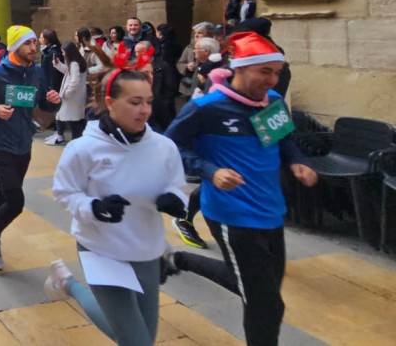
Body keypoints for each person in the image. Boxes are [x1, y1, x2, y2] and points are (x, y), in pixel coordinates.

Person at [164, 32, 318, 346]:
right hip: (230, 215)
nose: (273, 80)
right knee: (266, 303)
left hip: (272, 212)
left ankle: (179, 261)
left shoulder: (272, 102)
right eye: (265, 72)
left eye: (277, 72)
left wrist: (297, 161)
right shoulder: (207, 108)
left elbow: (284, 141)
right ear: (241, 69)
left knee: (259, 286)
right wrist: (210, 170)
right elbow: (169, 148)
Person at [46, 69, 187, 346]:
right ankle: (72, 284)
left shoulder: (164, 147)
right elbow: (64, 193)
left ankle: (67, 283)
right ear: (110, 103)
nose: (145, 110)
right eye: (135, 102)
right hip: (102, 250)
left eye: (148, 102)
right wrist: (94, 207)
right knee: (137, 341)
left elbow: (176, 187)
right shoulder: (82, 149)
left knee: (140, 335)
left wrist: (174, 200)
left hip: (146, 249)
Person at [0, 25, 61, 270]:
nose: (33, 48)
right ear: (15, 46)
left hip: (23, 144)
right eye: (28, 44)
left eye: (34, 43)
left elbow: (41, 104)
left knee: (4, 193)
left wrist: (53, 102)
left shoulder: (37, 72)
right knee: (15, 200)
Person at [46, 41, 87, 146]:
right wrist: (58, 65)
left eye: (64, 52)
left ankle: (76, 143)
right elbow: (69, 73)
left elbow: (74, 81)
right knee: (74, 119)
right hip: (74, 97)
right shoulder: (76, 62)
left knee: (73, 121)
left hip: (72, 97)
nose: (63, 54)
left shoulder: (74, 63)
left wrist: (66, 93)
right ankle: (76, 142)